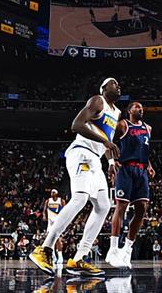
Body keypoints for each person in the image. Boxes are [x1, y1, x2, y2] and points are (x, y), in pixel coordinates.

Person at [29, 78, 121, 277]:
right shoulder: (97, 101)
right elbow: (76, 125)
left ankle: (79, 258)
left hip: (96, 159)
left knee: (104, 205)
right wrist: (105, 142)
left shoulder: (116, 113)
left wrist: (111, 163)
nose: (118, 86)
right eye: (113, 83)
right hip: (81, 152)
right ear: (104, 89)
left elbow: (107, 141)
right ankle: (44, 249)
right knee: (80, 198)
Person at [106, 102, 155, 269]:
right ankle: (113, 249)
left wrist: (149, 165)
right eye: (136, 107)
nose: (140, 109)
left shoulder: (148, 128)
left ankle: (127, 250)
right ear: (129, 111)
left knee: (142, 208)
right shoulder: (122, 125)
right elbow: (108, 141)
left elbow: (143, 149)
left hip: (141, 170)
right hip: (125, 169)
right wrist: (112, 161)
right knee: (121, 206)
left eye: (141, 107)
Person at [42, 189, 65, 265]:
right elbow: (44, 210)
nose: (52, 193)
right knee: (50, 239)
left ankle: (60, 257)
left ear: (57, 193)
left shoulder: (61, 200)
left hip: (58, 221)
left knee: (58, 239)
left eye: (53, 192)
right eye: (51, 192)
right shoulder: (48, 201)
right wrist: (44, 216)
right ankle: (53, 256)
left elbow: (65, 210)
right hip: (50, 222)